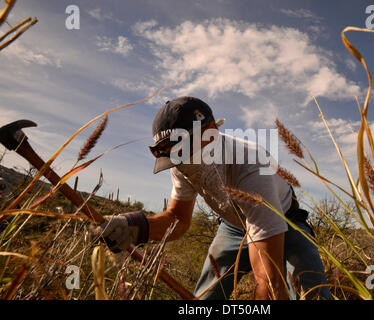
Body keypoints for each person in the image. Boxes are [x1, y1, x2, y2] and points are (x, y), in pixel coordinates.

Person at [93, 96, 332, 300]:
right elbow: (178, 219)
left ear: (211, 134)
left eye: (186, 150)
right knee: (207, 297)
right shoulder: (180, 165)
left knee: (313, 290)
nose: (182, 162)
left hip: (285, 223)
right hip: (232, 227)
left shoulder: (252, 165)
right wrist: (134, 227)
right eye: (174, 154)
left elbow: (269, 282)